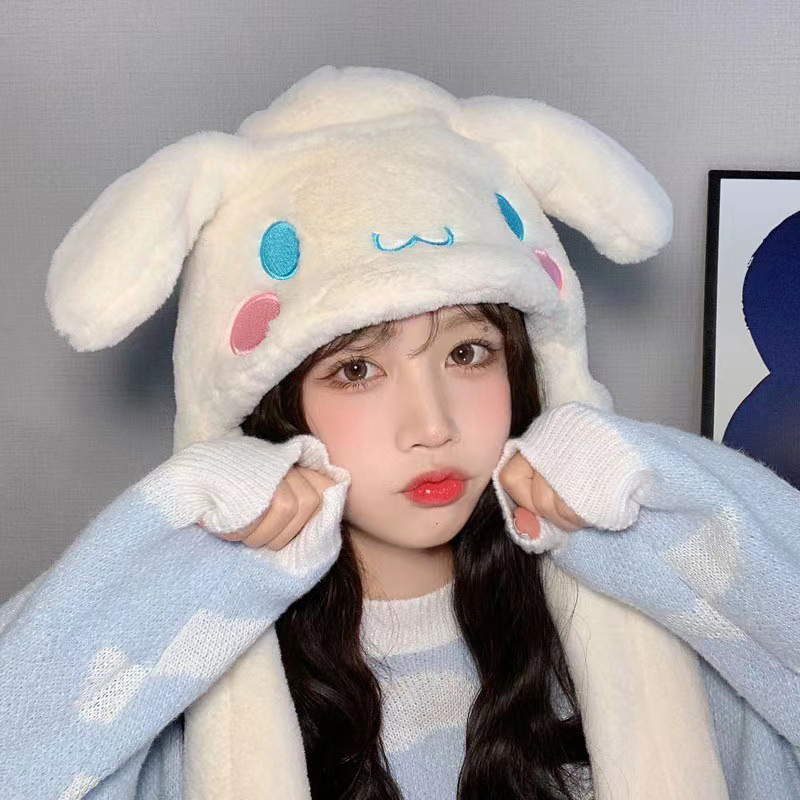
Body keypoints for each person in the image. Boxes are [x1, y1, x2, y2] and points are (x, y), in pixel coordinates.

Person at [1, 65, 798, 799]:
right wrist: (183, 546)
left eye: (467, 352)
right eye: (357, 369)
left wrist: (662, 498)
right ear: (273, 402)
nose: (433, 425)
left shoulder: (647, 621)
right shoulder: (181, 672)